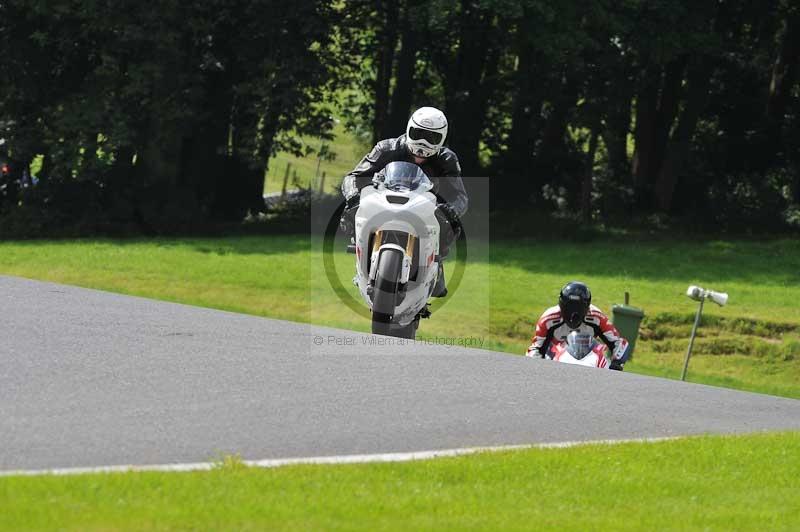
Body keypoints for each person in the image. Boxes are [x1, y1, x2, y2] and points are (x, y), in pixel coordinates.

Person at [340, 106, 468, 297]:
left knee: (451, 224)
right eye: (418, 134)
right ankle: (362, 254)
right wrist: (353, 196)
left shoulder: (446, 158)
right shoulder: (386, 148)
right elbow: (353, 176)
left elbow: (461, 196)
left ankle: (436, 263)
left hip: (425, 211)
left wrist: (450, 210)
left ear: (442, 138)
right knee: (352, 211)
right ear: (409, 129)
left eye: (431, 137)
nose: (423, 142)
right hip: (385, 203)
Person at [525, 281, 630, 370]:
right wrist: (537, 367)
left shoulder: (596, 317)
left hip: (589, 363)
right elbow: (536, 348)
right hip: (555, 363)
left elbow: (618, 343)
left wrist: (616, 364)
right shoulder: (549, 319)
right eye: (569, 308)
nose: (573, 313)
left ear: (587, 307)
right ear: (561, 305)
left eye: (578, 308)